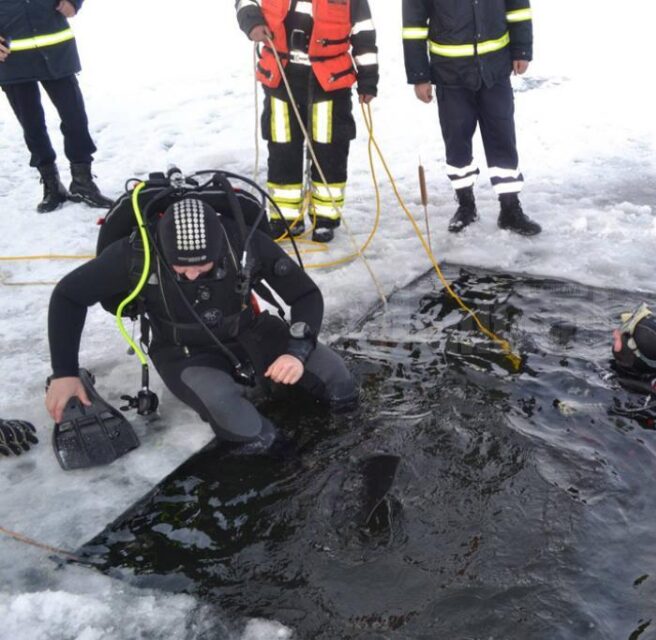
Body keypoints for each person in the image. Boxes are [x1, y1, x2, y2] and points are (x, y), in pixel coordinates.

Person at [45, 195, 358, 448]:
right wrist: (64, 373)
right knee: (251, 432)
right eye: (180, 268)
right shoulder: (135, 253)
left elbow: (305, 295)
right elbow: (68, 296)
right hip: (184, 351)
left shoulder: (244, 243)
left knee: (340, 382)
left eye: (202, 267)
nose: (192, 274)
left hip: (252, 331)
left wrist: (296, 352)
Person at [236, 0, 379, 243]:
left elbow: (363, 34)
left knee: (329, 150)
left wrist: (368, 80)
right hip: (281, 77)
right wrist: (252, 21)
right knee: (283, 149)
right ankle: (285, 219)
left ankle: (325, 218)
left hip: (329, 80)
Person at [401, 0, 541, 236]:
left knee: (503, 139)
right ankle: (466, 205)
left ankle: (510, 208)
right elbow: (413, 26)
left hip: (495, 69)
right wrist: (419, 75)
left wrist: (522, 49)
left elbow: (518, 7)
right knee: (457, 144)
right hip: (450, 74)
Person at [0, 0, 112, 213]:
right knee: (32, 126)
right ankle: (52, 185)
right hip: (12, 59)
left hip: (56, 51)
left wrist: (73, 2)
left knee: (75, 117)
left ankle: (82, 182)